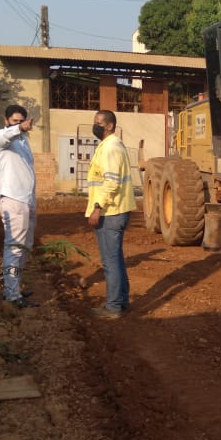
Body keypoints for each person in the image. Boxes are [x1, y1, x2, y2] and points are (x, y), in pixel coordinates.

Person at [86, 110, 136, 319]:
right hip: (116, 210)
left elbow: (112, 182)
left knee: (110, 261)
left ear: (109, 126)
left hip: (110, 211)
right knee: (116, 258)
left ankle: (113, 307)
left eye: (99, 123)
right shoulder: (111, 145)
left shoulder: (110, 148)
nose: (95, 126)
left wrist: (97, 208)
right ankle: (121, 301)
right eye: (95, 122)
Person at [0, 105, 38, 307]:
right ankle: (11, 294)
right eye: (15, 121)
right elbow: (5, 136)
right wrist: (20, 128)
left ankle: (15, 286)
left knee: (25, 247)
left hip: (27, 200)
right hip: (13, 200)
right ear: (6, 120)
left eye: (22, 121)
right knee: (14, 248)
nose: (18, 124)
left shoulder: (23, 142)